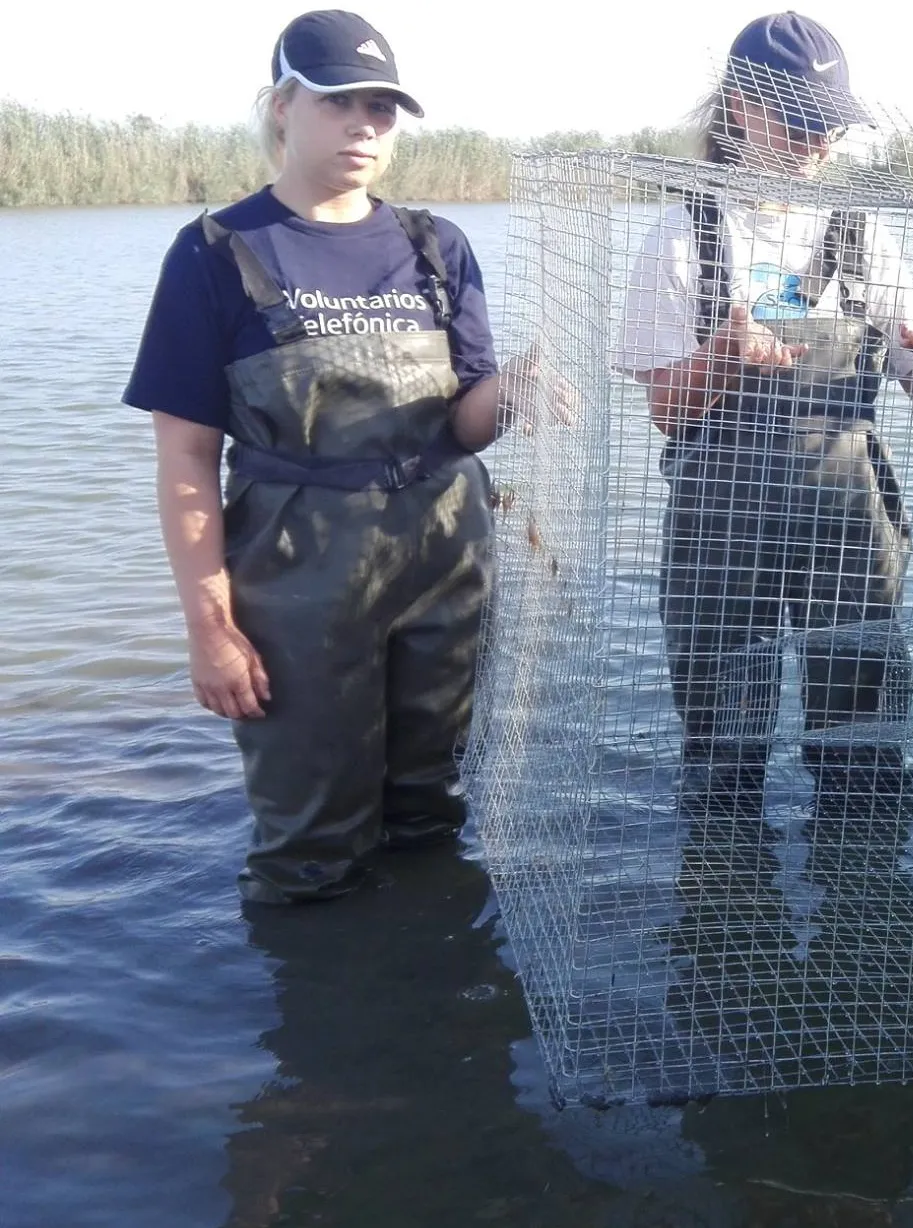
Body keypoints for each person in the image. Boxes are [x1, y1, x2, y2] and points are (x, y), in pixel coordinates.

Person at [124, 10, 570, 905]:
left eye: (384, 108)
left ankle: (432, 1005)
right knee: (311, 844)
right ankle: (323, 1021)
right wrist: (211, 629)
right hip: (297, 579)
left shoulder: (435, 247)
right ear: (284, 107)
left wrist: (517, 386)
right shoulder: (217, 252)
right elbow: (185, 461)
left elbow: (469, 423)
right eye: (342, 103)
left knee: (430, 810)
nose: (367, 125)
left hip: (446, 564)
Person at [614, 11, 913, 845]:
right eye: (800, 119)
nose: (818, 141)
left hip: (849, 526)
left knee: (862, 754)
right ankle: (727, 900)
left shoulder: (860, 231)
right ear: (740, 108)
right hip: (720, 529)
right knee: (722, 753)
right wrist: (724, 359)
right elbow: (667, 409)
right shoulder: (682, 234)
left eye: (831, 124)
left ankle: (862, 889)